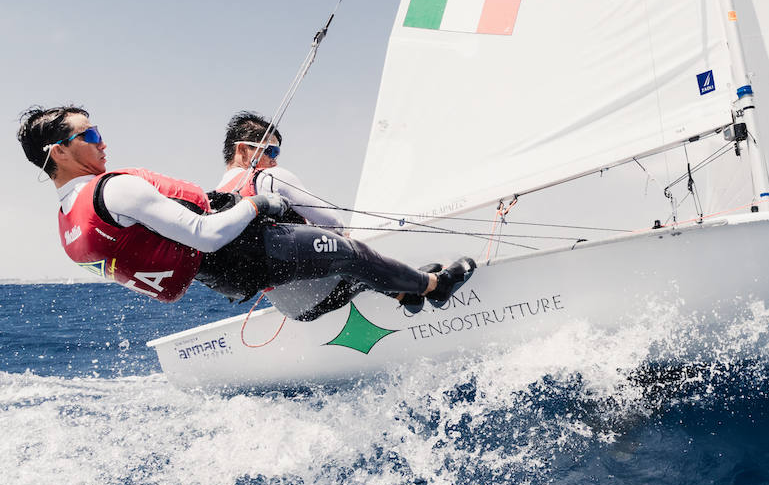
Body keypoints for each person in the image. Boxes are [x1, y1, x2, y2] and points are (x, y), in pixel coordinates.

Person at [17, 105, 474, 318]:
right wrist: (257, 203)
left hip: (222, 280)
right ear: (58, 151)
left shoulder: (68, 223)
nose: (103, 142)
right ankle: (431, 287)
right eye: (91, 135)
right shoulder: (114, 190)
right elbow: (206, 234)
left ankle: (400, 293)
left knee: (326, 261)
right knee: (344, 251)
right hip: (238, 249)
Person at [213, 111, 349, 230]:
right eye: (271, 151)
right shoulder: (270, 177)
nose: (275, 161)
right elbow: (333, 223)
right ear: (242, 150)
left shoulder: (215, 200)